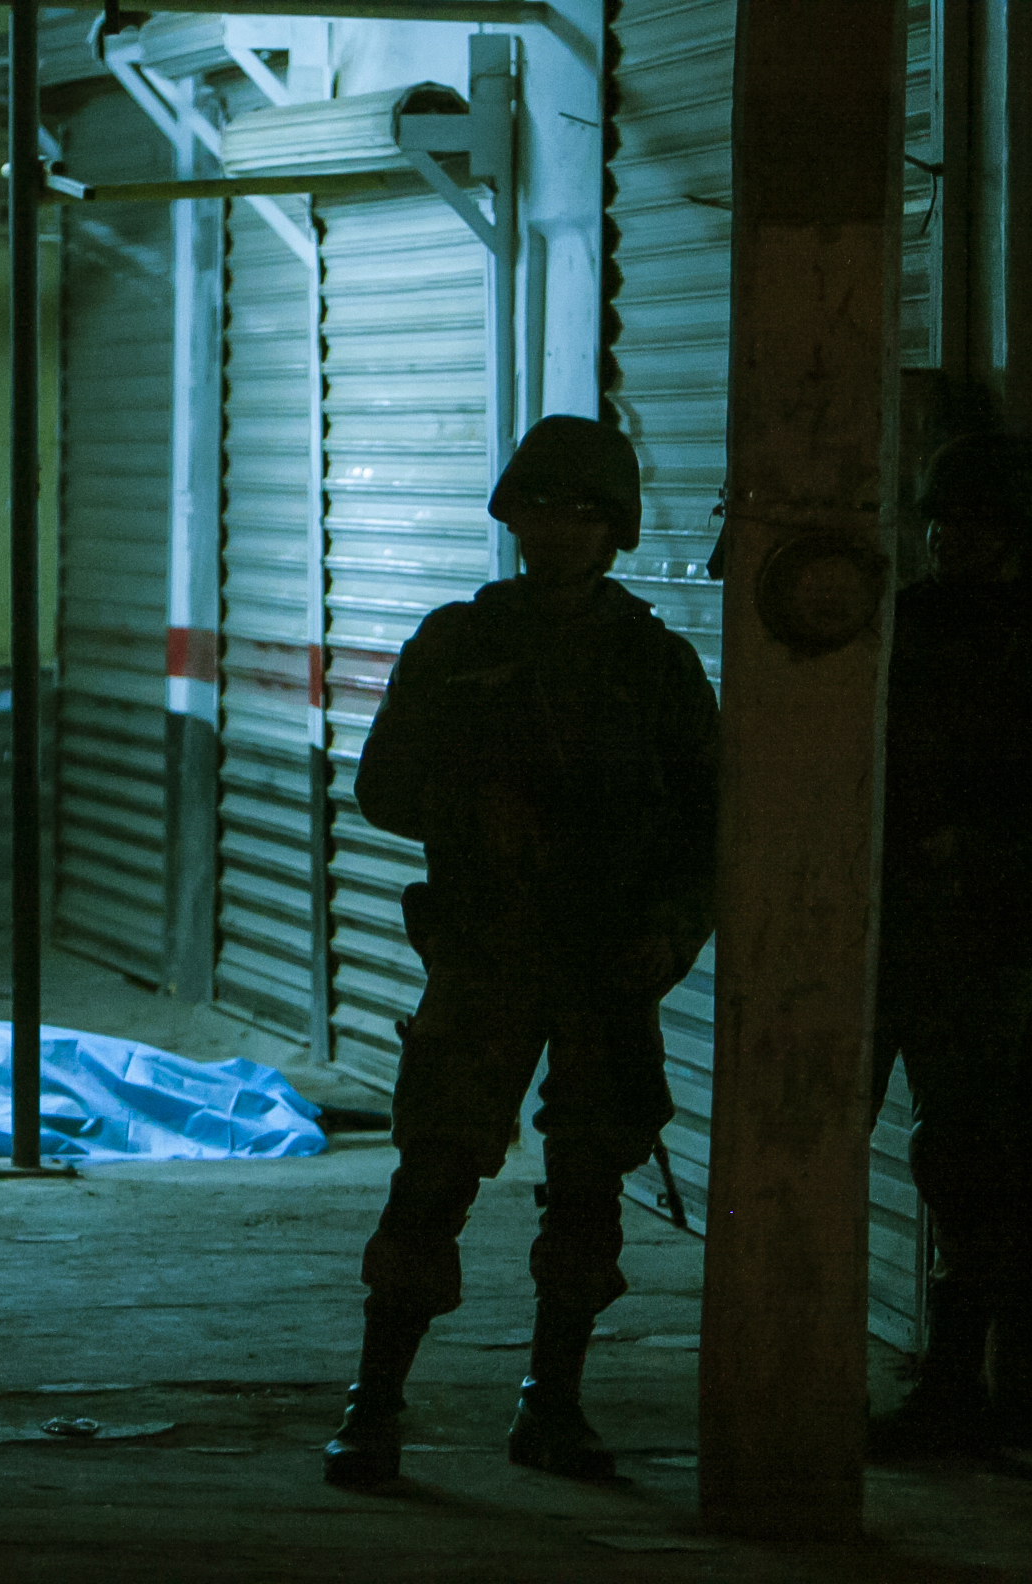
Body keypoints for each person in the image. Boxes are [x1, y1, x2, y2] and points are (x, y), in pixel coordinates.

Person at [322, 415, 719, 1489]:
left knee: (588, 1191)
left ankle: (553, 1403)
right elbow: (381, 785)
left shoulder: (654, 664)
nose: (556, 531)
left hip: (602, 964)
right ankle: (374, 1405)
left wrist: (668, 934)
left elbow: (708, 827)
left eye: (581, 514)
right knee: (433, 1173)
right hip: (488, 950)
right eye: (539, 509)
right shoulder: (459, 642)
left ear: (614, 529)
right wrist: (473, 806)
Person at [867, 431, 1032, 1456]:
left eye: (972, 526)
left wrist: (974, 846)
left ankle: (953, 1386)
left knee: (966, 1166)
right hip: (879, 926)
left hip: (983, 942)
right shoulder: (895, 628)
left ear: (1021, 538)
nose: (947, 541)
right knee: (820, 1136)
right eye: (940, 522)